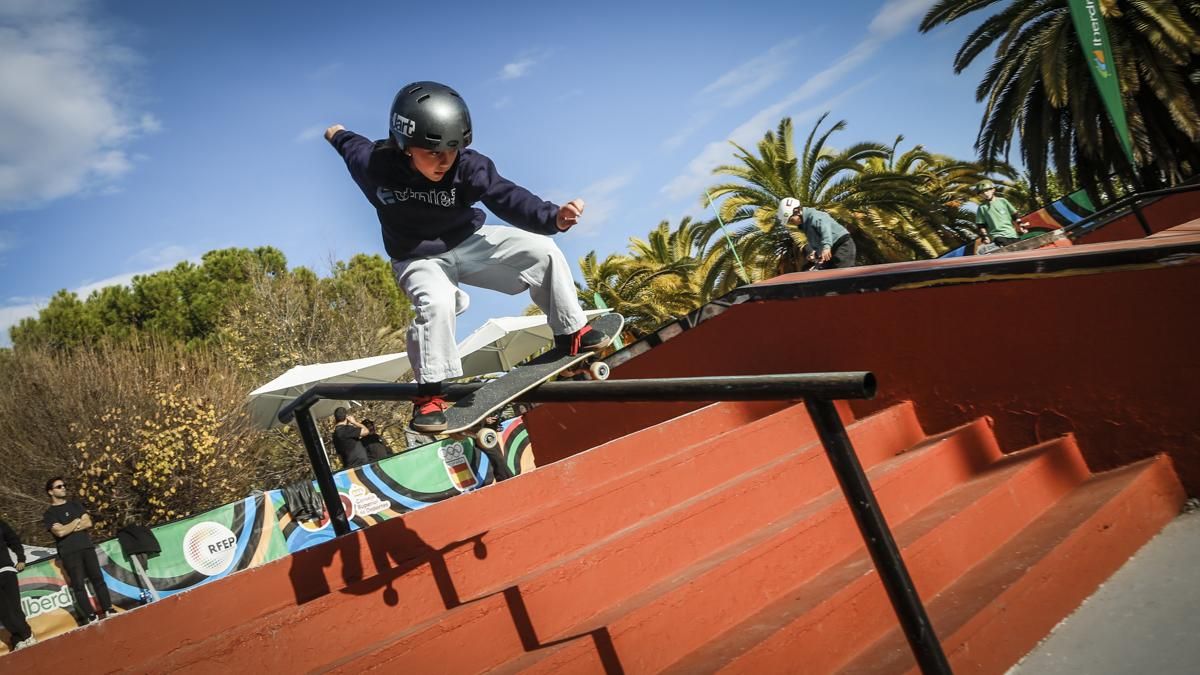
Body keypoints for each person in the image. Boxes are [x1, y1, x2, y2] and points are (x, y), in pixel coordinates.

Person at [325, 81, 608, 433]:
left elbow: (507, 196)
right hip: (417, 259)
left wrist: (551, 217)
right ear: (404, 146)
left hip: (469, 241)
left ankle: (570, 331)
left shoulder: (469, 167)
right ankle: (431, 394)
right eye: (434, 152)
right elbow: (350, 145)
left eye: (453, 149)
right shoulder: (375, 166)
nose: (445, 161)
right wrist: (335, 132)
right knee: (437, 303)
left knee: (542, 250)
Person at [42, 477, 113, 624]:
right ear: (51, 492)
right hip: (69, 552)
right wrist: (75, 522)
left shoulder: (75, 505)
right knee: (78, 585)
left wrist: (68, 527)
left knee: (98, 578)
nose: (63, 488)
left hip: (86, 547)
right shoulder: (49, 514)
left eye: (64, 485)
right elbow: (59, 533)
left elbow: (88, 522)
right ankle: (90, 616)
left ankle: (108, 609)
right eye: (59, 486)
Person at [777, 197, 857, 269]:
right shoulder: (805, 224)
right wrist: (815, 254)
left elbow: (825, 229)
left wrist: (826, 247)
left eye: (791, 220)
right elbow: (819, 241)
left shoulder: (814, 216)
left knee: (842, 277)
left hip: (842, 245)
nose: (792, 223)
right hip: (832, 249)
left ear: (797, 212)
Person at [0, 518, 35, 650]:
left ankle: (27, 635)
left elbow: (13, 539)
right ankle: (17, 639)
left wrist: (21, 558)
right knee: (3, 611)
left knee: (15, 608)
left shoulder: (0, 524)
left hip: (6, 570)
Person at [973, 180, 1028, 247]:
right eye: (982, 193)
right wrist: (984, 236)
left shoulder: (1003, 201)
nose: (985, 194)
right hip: (997, 236)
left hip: (1012, 234)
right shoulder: (982, 207)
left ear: (993, 190)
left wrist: (1021, 225)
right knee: (1005, 247)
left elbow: (1014, 215)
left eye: (987, 191)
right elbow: (981, 225)